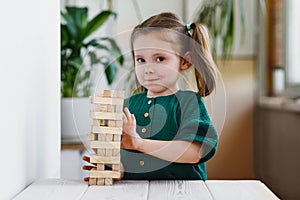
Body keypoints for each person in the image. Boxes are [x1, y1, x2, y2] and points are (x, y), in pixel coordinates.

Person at [83, 12, 219, 181]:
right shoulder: (127, 105)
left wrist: (139, 143)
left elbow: (194, 152)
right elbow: (121, 153)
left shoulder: (189, 103)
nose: (148, 69)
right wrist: (115, 168)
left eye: (160, 58)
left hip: (184, 193)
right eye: (141, 60)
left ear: (185, 61)